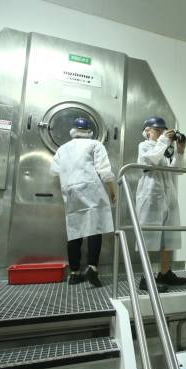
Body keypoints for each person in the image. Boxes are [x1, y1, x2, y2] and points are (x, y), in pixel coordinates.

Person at [50, 117, 115, 287]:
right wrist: (112, 190)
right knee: (95, 228)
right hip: (91, 188)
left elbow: (55, 171)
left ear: (73, 131)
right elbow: (104, 170)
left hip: (71, 190)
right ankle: (92, 268)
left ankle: (74, 273)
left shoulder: (62, 149)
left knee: (74, 230)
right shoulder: (95, 144)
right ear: (89, 131)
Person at [136, 116, 186, 292]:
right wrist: (165, 141)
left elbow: (178, 171)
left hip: (168, 196)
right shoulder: (144, 146)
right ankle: (146, 277)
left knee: (169, 236)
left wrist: (180, 151)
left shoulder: (165, 149)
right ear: (147, 131)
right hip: (151, 196)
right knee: (149, 237)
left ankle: (165, 273)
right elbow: (150, 161)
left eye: (163, 130)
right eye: (157, 130)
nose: (160, 133)